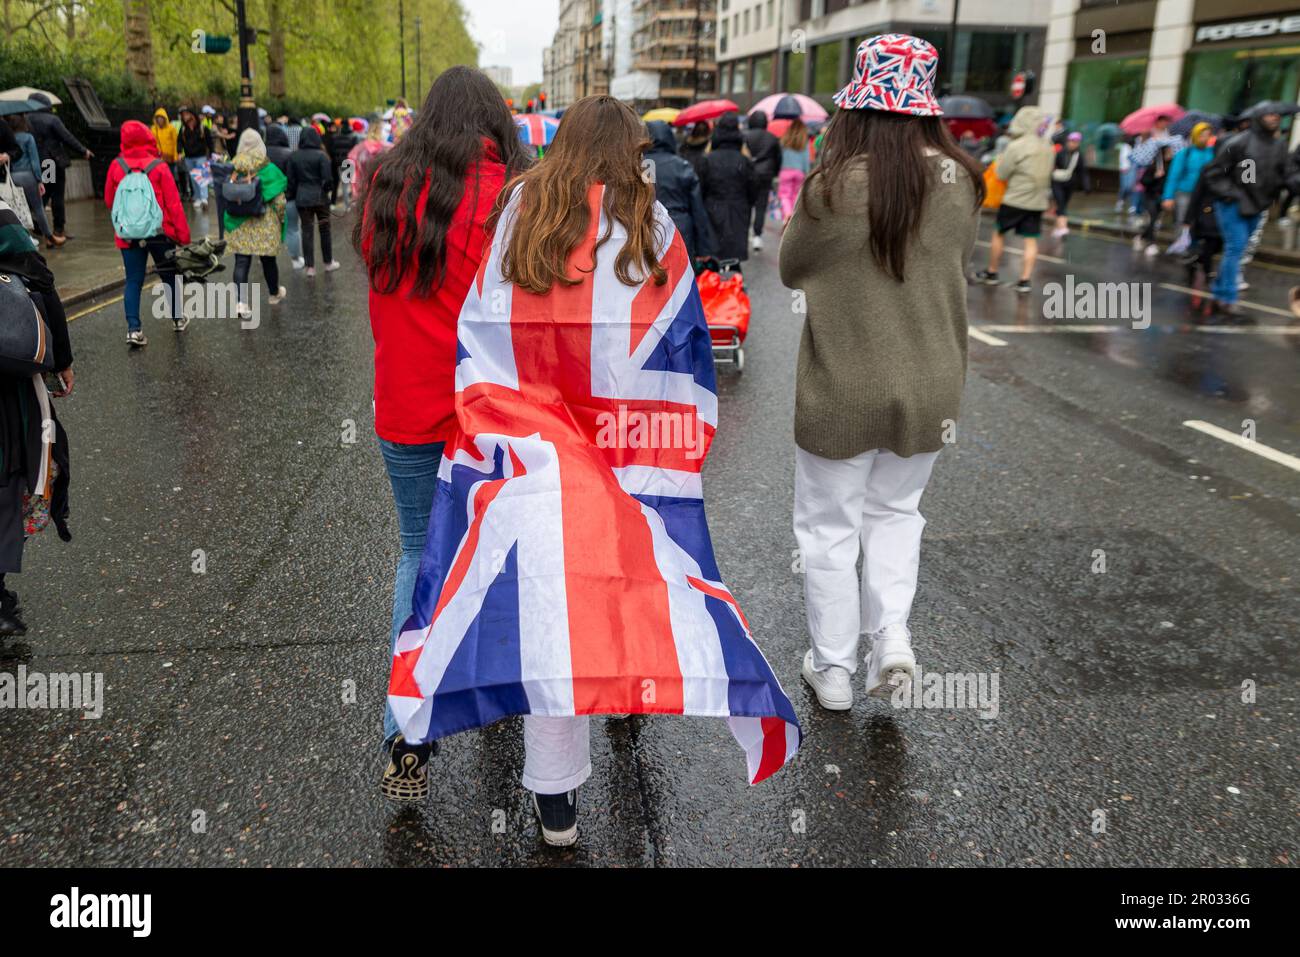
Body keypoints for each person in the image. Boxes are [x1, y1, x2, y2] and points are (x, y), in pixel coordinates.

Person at [385, 94, 799, 845]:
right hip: (625, 450)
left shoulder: (519, 216)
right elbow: (687, 345)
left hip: (535, 450)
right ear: (629, 151)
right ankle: (627, 691)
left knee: (553, 615)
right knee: (619, 585)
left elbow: (479, 333)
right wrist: (685, 434)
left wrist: (491, 429)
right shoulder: (652, 226)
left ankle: (555, 802)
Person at [779, 33, 983, 711]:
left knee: (828, 529)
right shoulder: (961, 182)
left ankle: (833, 669)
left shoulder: (833, 189)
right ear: (927, 107)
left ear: (857, 108)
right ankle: (891, 638)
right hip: (933, 385)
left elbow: (790, 267)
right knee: (898, 513)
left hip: (844, 385)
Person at [354, 65, 530, 802]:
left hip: (405, 406)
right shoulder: (511, 197)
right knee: (500, 557)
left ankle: (409, 728)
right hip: (490, 413)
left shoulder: (384, 190)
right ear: (495, 123)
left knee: (415, 555)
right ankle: (493, 691)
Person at [0, 198, 74, 638]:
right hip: (12, 391)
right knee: (12, 479)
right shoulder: (6, 221)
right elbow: (43, 285)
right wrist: (61, 360)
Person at [104, 119, 189, 347]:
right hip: (160, 233)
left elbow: (110, 201)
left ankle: (134, 329)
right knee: (169, 277)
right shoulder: (158, 166)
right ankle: (178, 318)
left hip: (128, 234)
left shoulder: (116, 166)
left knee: (133, 280)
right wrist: (183, 236)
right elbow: (173, 204)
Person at [1203, 108, 1294, 319]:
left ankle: (1219, 289)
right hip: (1233, 206)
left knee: (1239, 248)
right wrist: (1232, 195)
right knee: (1236, 247)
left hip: (1258, 206)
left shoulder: (1279, 146)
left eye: (1277, 115)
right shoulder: (1238, 143)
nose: (1275, 117)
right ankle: (1227, 298)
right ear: (1258, 118)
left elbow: (1285, 175)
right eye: (1270, 114)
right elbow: (1214, 174)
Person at [974, 105, 1053, 293]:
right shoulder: (1047, 147)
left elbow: (1001, 174)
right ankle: (1025, 280)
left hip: (1014, 199)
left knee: (999, 233)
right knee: (1031, 240)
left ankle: (992, 272)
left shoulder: (1016, 146)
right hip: (1037, 202)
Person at [224, 129, 288, 318]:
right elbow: (280, 201)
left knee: (241, 262)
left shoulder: (232, 168)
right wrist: (281, 218)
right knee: (268, 260)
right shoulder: (269, 169)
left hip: (238, 221)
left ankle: (241, 303)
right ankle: (274, 293)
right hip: (264, 222)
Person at [25, 93, 91, 245]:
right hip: (50, 161)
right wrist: (83, 151)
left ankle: (40, 226)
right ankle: (57, 231)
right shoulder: (52, 119)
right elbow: (66, 137)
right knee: (55, 196)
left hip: (35, 163)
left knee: (42, 193)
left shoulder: (26, 119)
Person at [644, 120, 714, 261]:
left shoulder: (643, 165)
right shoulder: (682, 165)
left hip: (649, 226)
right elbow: (697, 209)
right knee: (682, 275)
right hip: (681, 228)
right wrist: (703, 248)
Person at [699, 113, 756, 267]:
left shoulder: (708, 159)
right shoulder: (744, 160)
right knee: (734, 255)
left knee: (715, 255)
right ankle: (734, 284)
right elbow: (752, 191)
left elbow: (701, 189)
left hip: (713, 208)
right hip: (738, 208)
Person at [287, 126, 337, 276]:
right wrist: (326, 190)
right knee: (325, 230)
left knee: (307, 231)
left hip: (302, 198)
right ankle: (328, 263)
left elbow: (291, 180)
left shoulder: (294, 156)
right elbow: (328, 179)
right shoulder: (322, 156)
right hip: (320, 197)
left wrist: (294, 194)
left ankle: (310, 267)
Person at [1, 116, 57, 247]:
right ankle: (49, 237)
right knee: (38, 208)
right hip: (28, 176)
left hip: (11, 176)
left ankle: (25, 237)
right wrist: (39, 180)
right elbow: (34, 160)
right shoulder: (28, 138)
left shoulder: (7, 137)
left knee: (16, 208)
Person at [1162, 122, 1213, 254]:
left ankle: (1193, 245)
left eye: (1208, 135)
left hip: (1203, 195)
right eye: (1202, 135)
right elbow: (1173, 176)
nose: (1205, 138)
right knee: (1182, 219)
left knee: (1199, 221)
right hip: (1184, 193)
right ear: (1195, 136)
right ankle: (1181, 244)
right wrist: (1168, 197)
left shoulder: (1212, 153)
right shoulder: (1184, 154)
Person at [265, 125, 302, 267]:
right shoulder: (289, 154)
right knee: (293, 229)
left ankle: (267, 260)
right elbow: (293, 178)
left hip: (267, 198)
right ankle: (295, 260)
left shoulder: (262, 154)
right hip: (288, 198)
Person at [744, 110, 781, 250]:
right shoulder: (772, 138)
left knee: (747, 204)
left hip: (748, 174)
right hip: (766, 174)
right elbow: (778, 158)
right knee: (761, 206)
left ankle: (745, 231)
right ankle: (757, 236)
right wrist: (774, 173)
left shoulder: (745, 136)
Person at [1050, 131, 1089, 238]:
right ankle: (1063, 227)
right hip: (1057, 182)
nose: (1073, 144)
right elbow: (1051, 165)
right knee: (1060, 203)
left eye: (1076, 142)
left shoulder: (1079, 156)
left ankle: (1057, 227)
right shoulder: (1060, 152)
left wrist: (1086, 185)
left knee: (1063, 205)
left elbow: (1082, 171)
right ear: (1067, 141)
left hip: (1070, 184)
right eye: (1072, 141)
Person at [178, 107, 213, 211]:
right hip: (189, 157)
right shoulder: (183, 129)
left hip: (201, 156)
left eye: (189, 116)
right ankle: (197, 197)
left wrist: (211, 153)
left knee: (202, 177)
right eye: (184, 117)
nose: (187, 118)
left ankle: (204, 198)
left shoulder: (202, 127)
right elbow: (179, 141)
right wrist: (179, 152)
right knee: (193, 178)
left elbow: (209, 141)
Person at [347, 119, 389, 206]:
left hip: (363, 189)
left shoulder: (359, 148)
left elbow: (349, 164)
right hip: (382, 189)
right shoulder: (388, 148)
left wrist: (350, 183)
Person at [777, 117, 811, 223]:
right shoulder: (804, 142)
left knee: (784, 195)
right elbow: (806, 159)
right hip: (799, 172)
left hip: (785, 171)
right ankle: (794, 218)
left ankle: (787, 214)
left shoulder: (784, 140)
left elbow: (779, 157)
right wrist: (807, 172)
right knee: (796, 195)